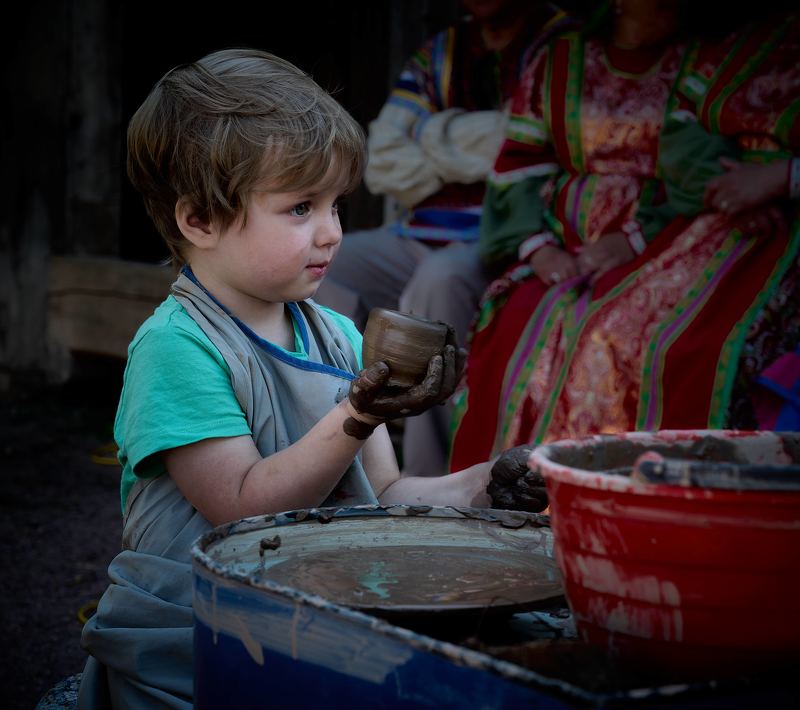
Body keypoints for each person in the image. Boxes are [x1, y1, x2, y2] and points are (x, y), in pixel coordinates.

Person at [77, 49, 494, 709]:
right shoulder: (177, 348)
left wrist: (486, 485)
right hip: (196, 651)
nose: (332, 232)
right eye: (301, 207)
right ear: (201, 220)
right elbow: (242, 511)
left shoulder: (337, 335)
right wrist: (355, 414)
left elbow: (383, 491)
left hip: (311, 635)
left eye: (336, 204)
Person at [449, 0, 800, 472]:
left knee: (637, 337)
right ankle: (509, 485)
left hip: (656, 235)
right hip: (561, 237)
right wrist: (540, 248)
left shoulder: (693, 56)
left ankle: (626, 487)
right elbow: (520, 162)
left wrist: (635, 238)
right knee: (521, 321)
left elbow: (682, 165)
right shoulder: (561, 60)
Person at [315, 0, 576, 478]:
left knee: (438, 283)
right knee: (331, 261)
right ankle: (325, 440)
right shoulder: (442, 50)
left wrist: (432, 136)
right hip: (416, 233)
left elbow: (532, 143)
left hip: (503, 239)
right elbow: (386, 160)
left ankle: (427, 478)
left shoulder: (561, 43)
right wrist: (477, 147)